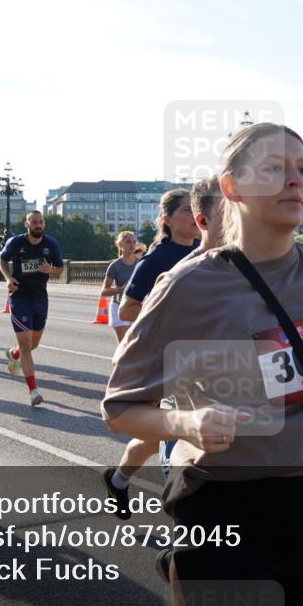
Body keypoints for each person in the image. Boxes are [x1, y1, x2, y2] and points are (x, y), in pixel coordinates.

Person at [102, 124, 303, 606]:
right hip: (220, 504)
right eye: (274, 168)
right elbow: (120, 408)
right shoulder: (189, 286)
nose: (295, 181)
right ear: (230, 188)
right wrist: (185, 426)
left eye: (302, 169)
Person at [102, 177, 220, 519]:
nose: (193, 215)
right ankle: (187, 528)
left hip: (208, 360)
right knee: (175, 436)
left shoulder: (209, 251)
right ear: (167, 219)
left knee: (156, 437)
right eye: (185, 210)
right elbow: (127, 309)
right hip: (170, 362)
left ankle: (119, 479)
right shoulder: (157, 259)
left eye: (194, 209)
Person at [0, 211, 64, 407]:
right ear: (26, 224)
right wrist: (9, 279)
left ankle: (14, 354)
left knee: (33, 344)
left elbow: (60, 269)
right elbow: (2, 260)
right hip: (19, 297)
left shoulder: (51, 244)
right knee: (27, 346)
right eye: (34, 222)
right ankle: (33, 390)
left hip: (40, 297)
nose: (38, 225)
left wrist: (50, 270)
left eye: (41, 222)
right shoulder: (16, 242)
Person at [117, 189, 200, 323]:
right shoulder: (156, 258)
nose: (196, 214)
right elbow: (125, 311)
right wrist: (175, 315)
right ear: (167, 220)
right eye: (188, 210)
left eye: (197, 208)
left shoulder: (203, 248)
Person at [101, 231, 139, 342]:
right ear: (120, 245)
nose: (132, 245)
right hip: (119, 307)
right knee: (124, 345)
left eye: (134, 242)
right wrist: (120, 289)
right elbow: (104, 291)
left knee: (136, 346)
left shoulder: (141, 264)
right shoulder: (115, 266)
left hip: (136, 307)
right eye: (128, 242)